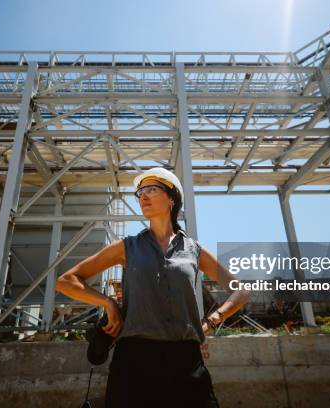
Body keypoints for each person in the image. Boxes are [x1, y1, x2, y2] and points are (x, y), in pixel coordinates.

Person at [56, 167, 250, 408]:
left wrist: (210, 322)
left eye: (151, 189)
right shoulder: (126, 247)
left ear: (171, 199)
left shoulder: (194, 250)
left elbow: (240, 291)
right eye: (140, 193)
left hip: (186, 360)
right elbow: (66, 281)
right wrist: (108, 303)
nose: (143, 196)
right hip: (134, 361)